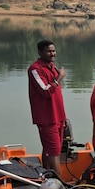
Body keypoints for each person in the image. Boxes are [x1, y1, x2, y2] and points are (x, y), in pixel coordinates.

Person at [28, 39, 67, 176]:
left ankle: (46, 176)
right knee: (54, 152)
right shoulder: (35, 69)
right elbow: (45, 90)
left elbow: (57, 95)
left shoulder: (52, 67)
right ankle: (60, 183)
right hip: (46, 118)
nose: (52, 54)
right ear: (40, 52)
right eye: (49, 51)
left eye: (54, 51)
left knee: (49, 149)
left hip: (58, 116)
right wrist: (59, 77)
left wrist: (63, 117)